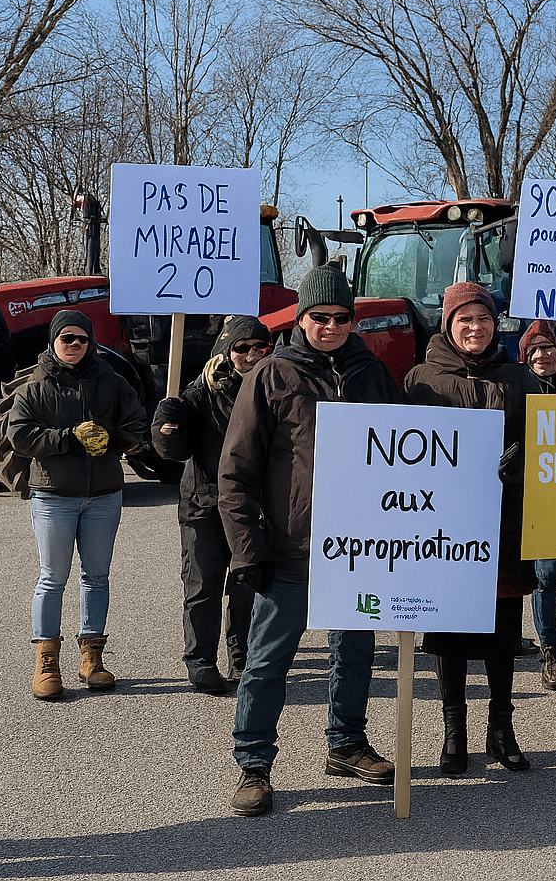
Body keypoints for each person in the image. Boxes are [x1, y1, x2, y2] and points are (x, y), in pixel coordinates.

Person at [219, 265, 401, 816]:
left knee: (356, 652)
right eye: (319, 317)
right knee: (267, 661)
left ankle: (345, 743)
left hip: (360, 547)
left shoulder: (372, 372)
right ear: (301, 319)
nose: (330, 327)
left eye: (341, 318)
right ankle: (254, 765)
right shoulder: (271, 375)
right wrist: (248, 551)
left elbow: (412, 449)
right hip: (291, 547)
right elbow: (236, 472)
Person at [403, 282, 540, 776]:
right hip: (443, 529)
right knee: (450, 635)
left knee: (503, 633)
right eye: (465, 320)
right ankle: (454, 731)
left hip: (504, 524)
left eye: (483, 319)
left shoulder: (520, 379)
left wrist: (525, 458)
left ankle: (501, 731)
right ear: (448, 324)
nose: (475, 328)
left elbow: (544, 444)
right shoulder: (421, 380)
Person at [7, 310, 145, 700]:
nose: (74, 345)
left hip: (103, 495)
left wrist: (112, 439)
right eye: (67, 338)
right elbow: (18, 434)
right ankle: (47, 663)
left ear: (90, 343)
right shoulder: (34, 386)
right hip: (53, 496)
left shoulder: (112, 382)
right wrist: (68, 438)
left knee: (96, 577)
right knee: (52, 578)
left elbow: (137, 424)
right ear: (53, 341)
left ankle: (92, 659)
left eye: (82, 339)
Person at [151, 316, 272, 694]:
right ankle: (201, 661)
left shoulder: (276, 387)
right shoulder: (199, 392)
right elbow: (173, 451)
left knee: (246, 585)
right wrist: (166, 427)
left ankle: (242, 659)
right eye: (242, 347)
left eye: (260, 347)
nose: (252, 354)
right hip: (204, 504)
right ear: (227, 351)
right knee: (202, 586)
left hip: (254, 506)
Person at [519, 320, 556, 691]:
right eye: (536, 350)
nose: (544, 355)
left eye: (550, 348)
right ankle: (551, 648)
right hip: (538, 498)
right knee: (547, 576)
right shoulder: (515, 387)